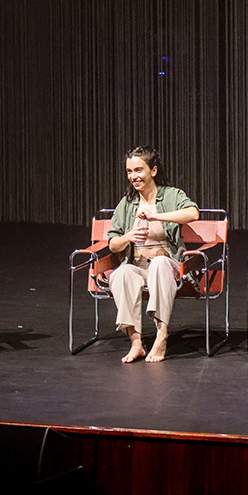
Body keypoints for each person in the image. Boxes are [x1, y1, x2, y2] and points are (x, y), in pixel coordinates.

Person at [106, 146, 199, 363]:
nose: (133, 176)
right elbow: (113, 244)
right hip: (138, 265)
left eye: (138, 170)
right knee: (121, 274)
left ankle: (162, 334)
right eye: (129, 171)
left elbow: (193, 213)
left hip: (168, 266)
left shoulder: (171, 195)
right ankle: (136, 342)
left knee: (159, 264)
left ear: (153, 171)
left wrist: (156, 216)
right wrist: (129, 236)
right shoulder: (127, 203)